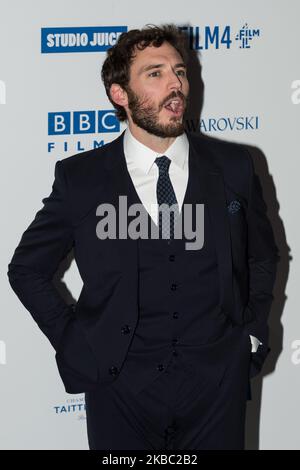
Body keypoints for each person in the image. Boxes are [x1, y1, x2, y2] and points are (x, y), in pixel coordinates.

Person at [7, 24, 279, 450]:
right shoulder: (81, 179)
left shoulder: (234, 167)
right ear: (120, 94)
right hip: (120, 391)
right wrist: (76, 341)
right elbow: (26, 269)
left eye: (180, 71)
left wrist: (251, 334)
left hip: (216, 388)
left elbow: (263, 257)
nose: (175, 83)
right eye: (155, 73)